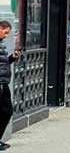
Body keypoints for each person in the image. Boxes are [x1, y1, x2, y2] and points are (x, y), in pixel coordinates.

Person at [0, 20, 20, 150]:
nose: (6, 36)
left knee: (7, 111)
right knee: (5, 111)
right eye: (5, 32)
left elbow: (3, 63)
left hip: (3, 83)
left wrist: (12, 58)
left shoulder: (0, 44)